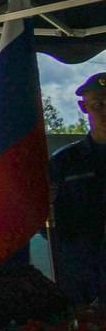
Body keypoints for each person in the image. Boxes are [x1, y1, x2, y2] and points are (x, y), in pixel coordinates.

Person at [49, 74, 106, 304]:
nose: (105, 111)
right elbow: (51, 224)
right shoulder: (65, 162)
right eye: (98, 105)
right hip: (83, 272)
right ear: (84, 107)